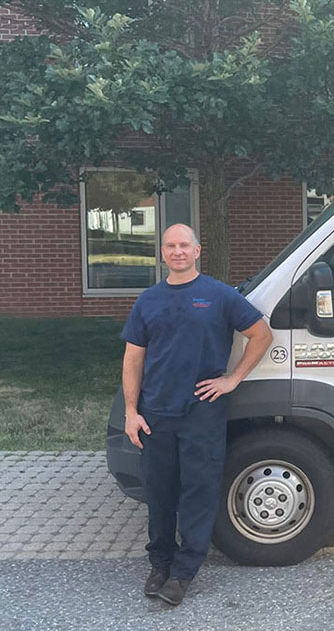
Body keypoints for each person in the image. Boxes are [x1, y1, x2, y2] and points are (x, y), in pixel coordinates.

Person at [121, 223, 272, 607]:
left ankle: (184, 572)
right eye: (170, 246)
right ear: (163, 253)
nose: (177, 251)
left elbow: (261, 334)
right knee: (159, 493)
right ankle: (160, 564)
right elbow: (133, 358)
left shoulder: (219, 296)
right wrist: (130, 411)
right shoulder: (148, 301)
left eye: (184, 245)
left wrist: (232, 379)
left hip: (201, 413)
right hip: (156, 414)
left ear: (198, 250)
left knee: (197, 493)